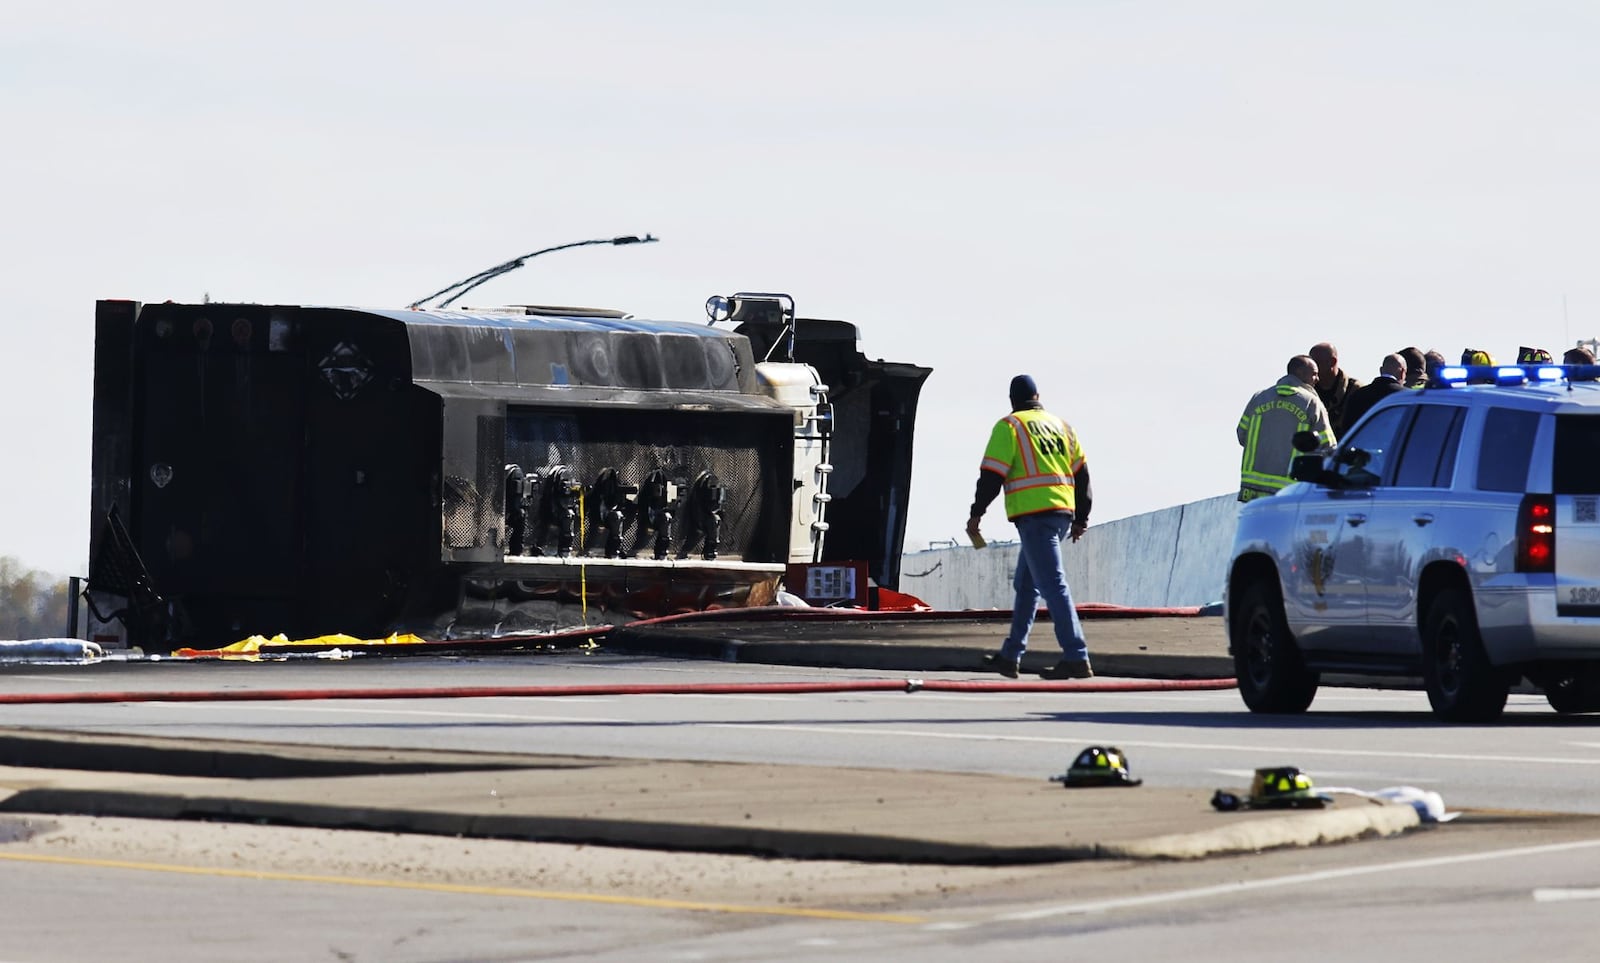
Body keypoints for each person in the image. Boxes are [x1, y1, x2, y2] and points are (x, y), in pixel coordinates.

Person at [967, 375, 1094, 680]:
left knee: (1053, 586)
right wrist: (1081, 518)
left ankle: (1077, 657)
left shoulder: (1010, 426)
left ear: (1012, 400)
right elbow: (1083, 475)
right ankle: (1011, 656)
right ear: (1038, 395)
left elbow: (991, 476)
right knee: (1026, 586)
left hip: (1035, 517)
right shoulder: (1062, 426)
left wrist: (976, 513)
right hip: (1061, 514)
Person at [1237, 355, 1335, 503]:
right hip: (1289, 490)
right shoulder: (1311, 403)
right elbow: (1328, 447)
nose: (1317, 379)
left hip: (1252, 490)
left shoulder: (1259, 398)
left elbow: (1242, 434)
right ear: (1300, 373)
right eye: (1314, 373)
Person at [1340, 353, 1407, 432]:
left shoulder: (1357, 395)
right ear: (1402, 372)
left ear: (1381, 370)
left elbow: (1346, 429)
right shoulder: (1406, 398)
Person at [1308, 342, 1360, 433]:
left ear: (1332, 362)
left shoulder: (1357, 391)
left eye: (1316, 363)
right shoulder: (1307, 392)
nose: (1312, 368)